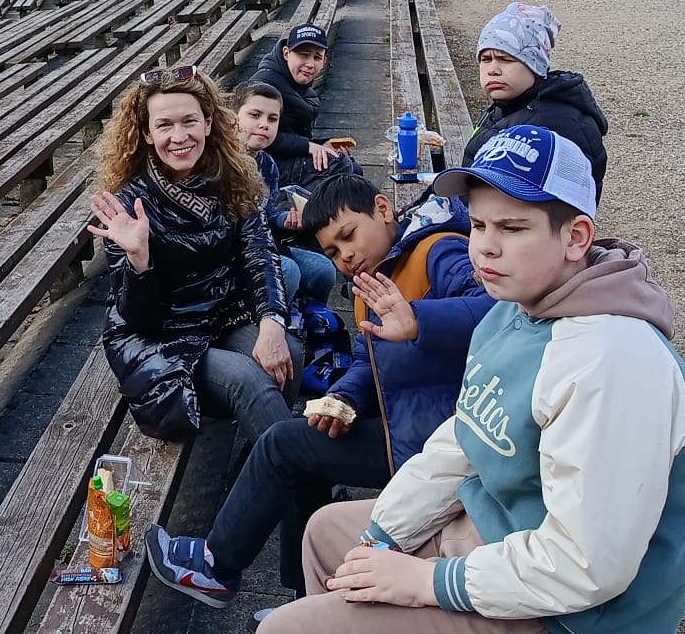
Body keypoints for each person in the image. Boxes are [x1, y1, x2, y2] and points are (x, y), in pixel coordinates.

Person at [253, 128, 685, 634]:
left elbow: (585, 566)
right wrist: (384, 538)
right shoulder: (517, 307)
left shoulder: (612, 362)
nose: (485, 248)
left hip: (578, 624)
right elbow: (461, 442)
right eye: (480, 225)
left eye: (514, 228)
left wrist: (422, 582)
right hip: (507, 540)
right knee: (329, 535)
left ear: (576, 237)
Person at [143, 171, 489, 606]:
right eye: (333, 252)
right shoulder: (372, 280)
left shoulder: (435, 250)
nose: (346, 256)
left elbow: (495, 309)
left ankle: (217, 564)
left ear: (383, 210)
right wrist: (344, 396)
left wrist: (419, 320)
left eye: (349, 236)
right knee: (306, 443)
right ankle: (305, 599)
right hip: (405, 427)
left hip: (440, 444)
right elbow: (368, 360)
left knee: (282, 445)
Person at [87, 65, 300, 443]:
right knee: (248, 380)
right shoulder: (128, 205)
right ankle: (295, 471)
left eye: (189, 121)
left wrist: (271, 322)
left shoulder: (233, 179)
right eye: (164, 125)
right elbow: (140, 320)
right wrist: (139, 261)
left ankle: (261, 460)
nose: (179, 136)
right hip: (159, 336)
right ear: (147, 134)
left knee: (291, 353)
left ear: (208, 123)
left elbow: (260, 255)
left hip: (218, 315)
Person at [463, 2, 610, 195]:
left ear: (536, 65)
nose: (493, 70)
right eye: (486, 59)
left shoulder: (559, 124)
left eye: (506, 59)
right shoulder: (505, 106)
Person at [232, 80, 338, 315]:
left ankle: (309, 322)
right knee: (288, 272)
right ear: (233, 118)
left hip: (266, 243)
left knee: (323, 270)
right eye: (254, 115)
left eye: (272, 119)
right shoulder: (221, 163)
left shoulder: (267, 165)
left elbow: (268, 215)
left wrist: (285, 220)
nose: (264, 124)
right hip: (231, 252)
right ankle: (269, 325)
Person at [255, 23, 357, 187]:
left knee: (353, 168)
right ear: (286, 53)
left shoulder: (300, 88)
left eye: (317, 58)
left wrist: (322, 144)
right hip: (260, 164)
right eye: (303, 55)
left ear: (324, 61)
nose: (310, 64)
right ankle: (297, 203)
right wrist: (308, 146)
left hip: (282, 155)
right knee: (339, 166)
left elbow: (289, 134)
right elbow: (255, 137)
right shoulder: (264, 85)